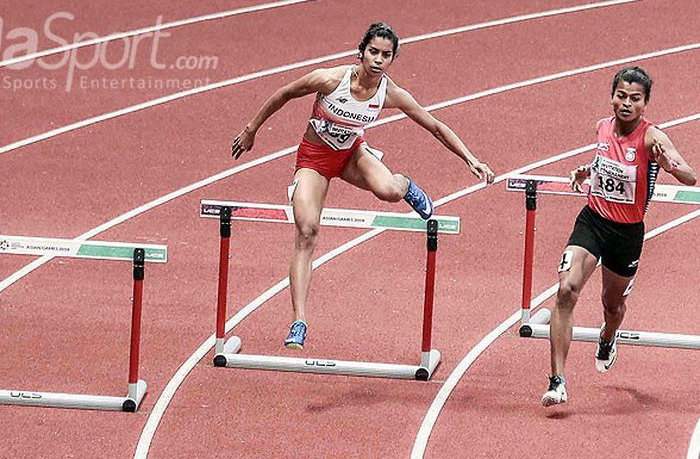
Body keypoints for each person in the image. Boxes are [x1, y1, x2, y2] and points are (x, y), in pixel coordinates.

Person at [231, 22, 495, 349]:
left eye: (386, 55)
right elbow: (284, 93)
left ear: (392, 59)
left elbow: (435, 126)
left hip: (353, 155)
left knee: (391, 191)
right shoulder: (329, 80)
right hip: (314, 159)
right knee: (307, 231)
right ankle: (299, 321)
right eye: (373, 52)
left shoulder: (390, 93)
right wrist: (250, 130)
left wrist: (470, 159)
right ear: (361, 51)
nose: (378, 60)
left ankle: (407, 186)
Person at [542, 66, 696, 406]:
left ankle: (608, 337)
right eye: (621, 96)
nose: (626, 103)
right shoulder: (602, 126)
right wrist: (587, 170)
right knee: (566, 290)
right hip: (592, 221)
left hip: (626, 235)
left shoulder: (653, 137)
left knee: (613, 306)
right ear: (612, 96)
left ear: (645, 104)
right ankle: (557, 381)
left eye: (635, 99)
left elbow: (690, 177)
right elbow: (605, 163)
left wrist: (670, 165)